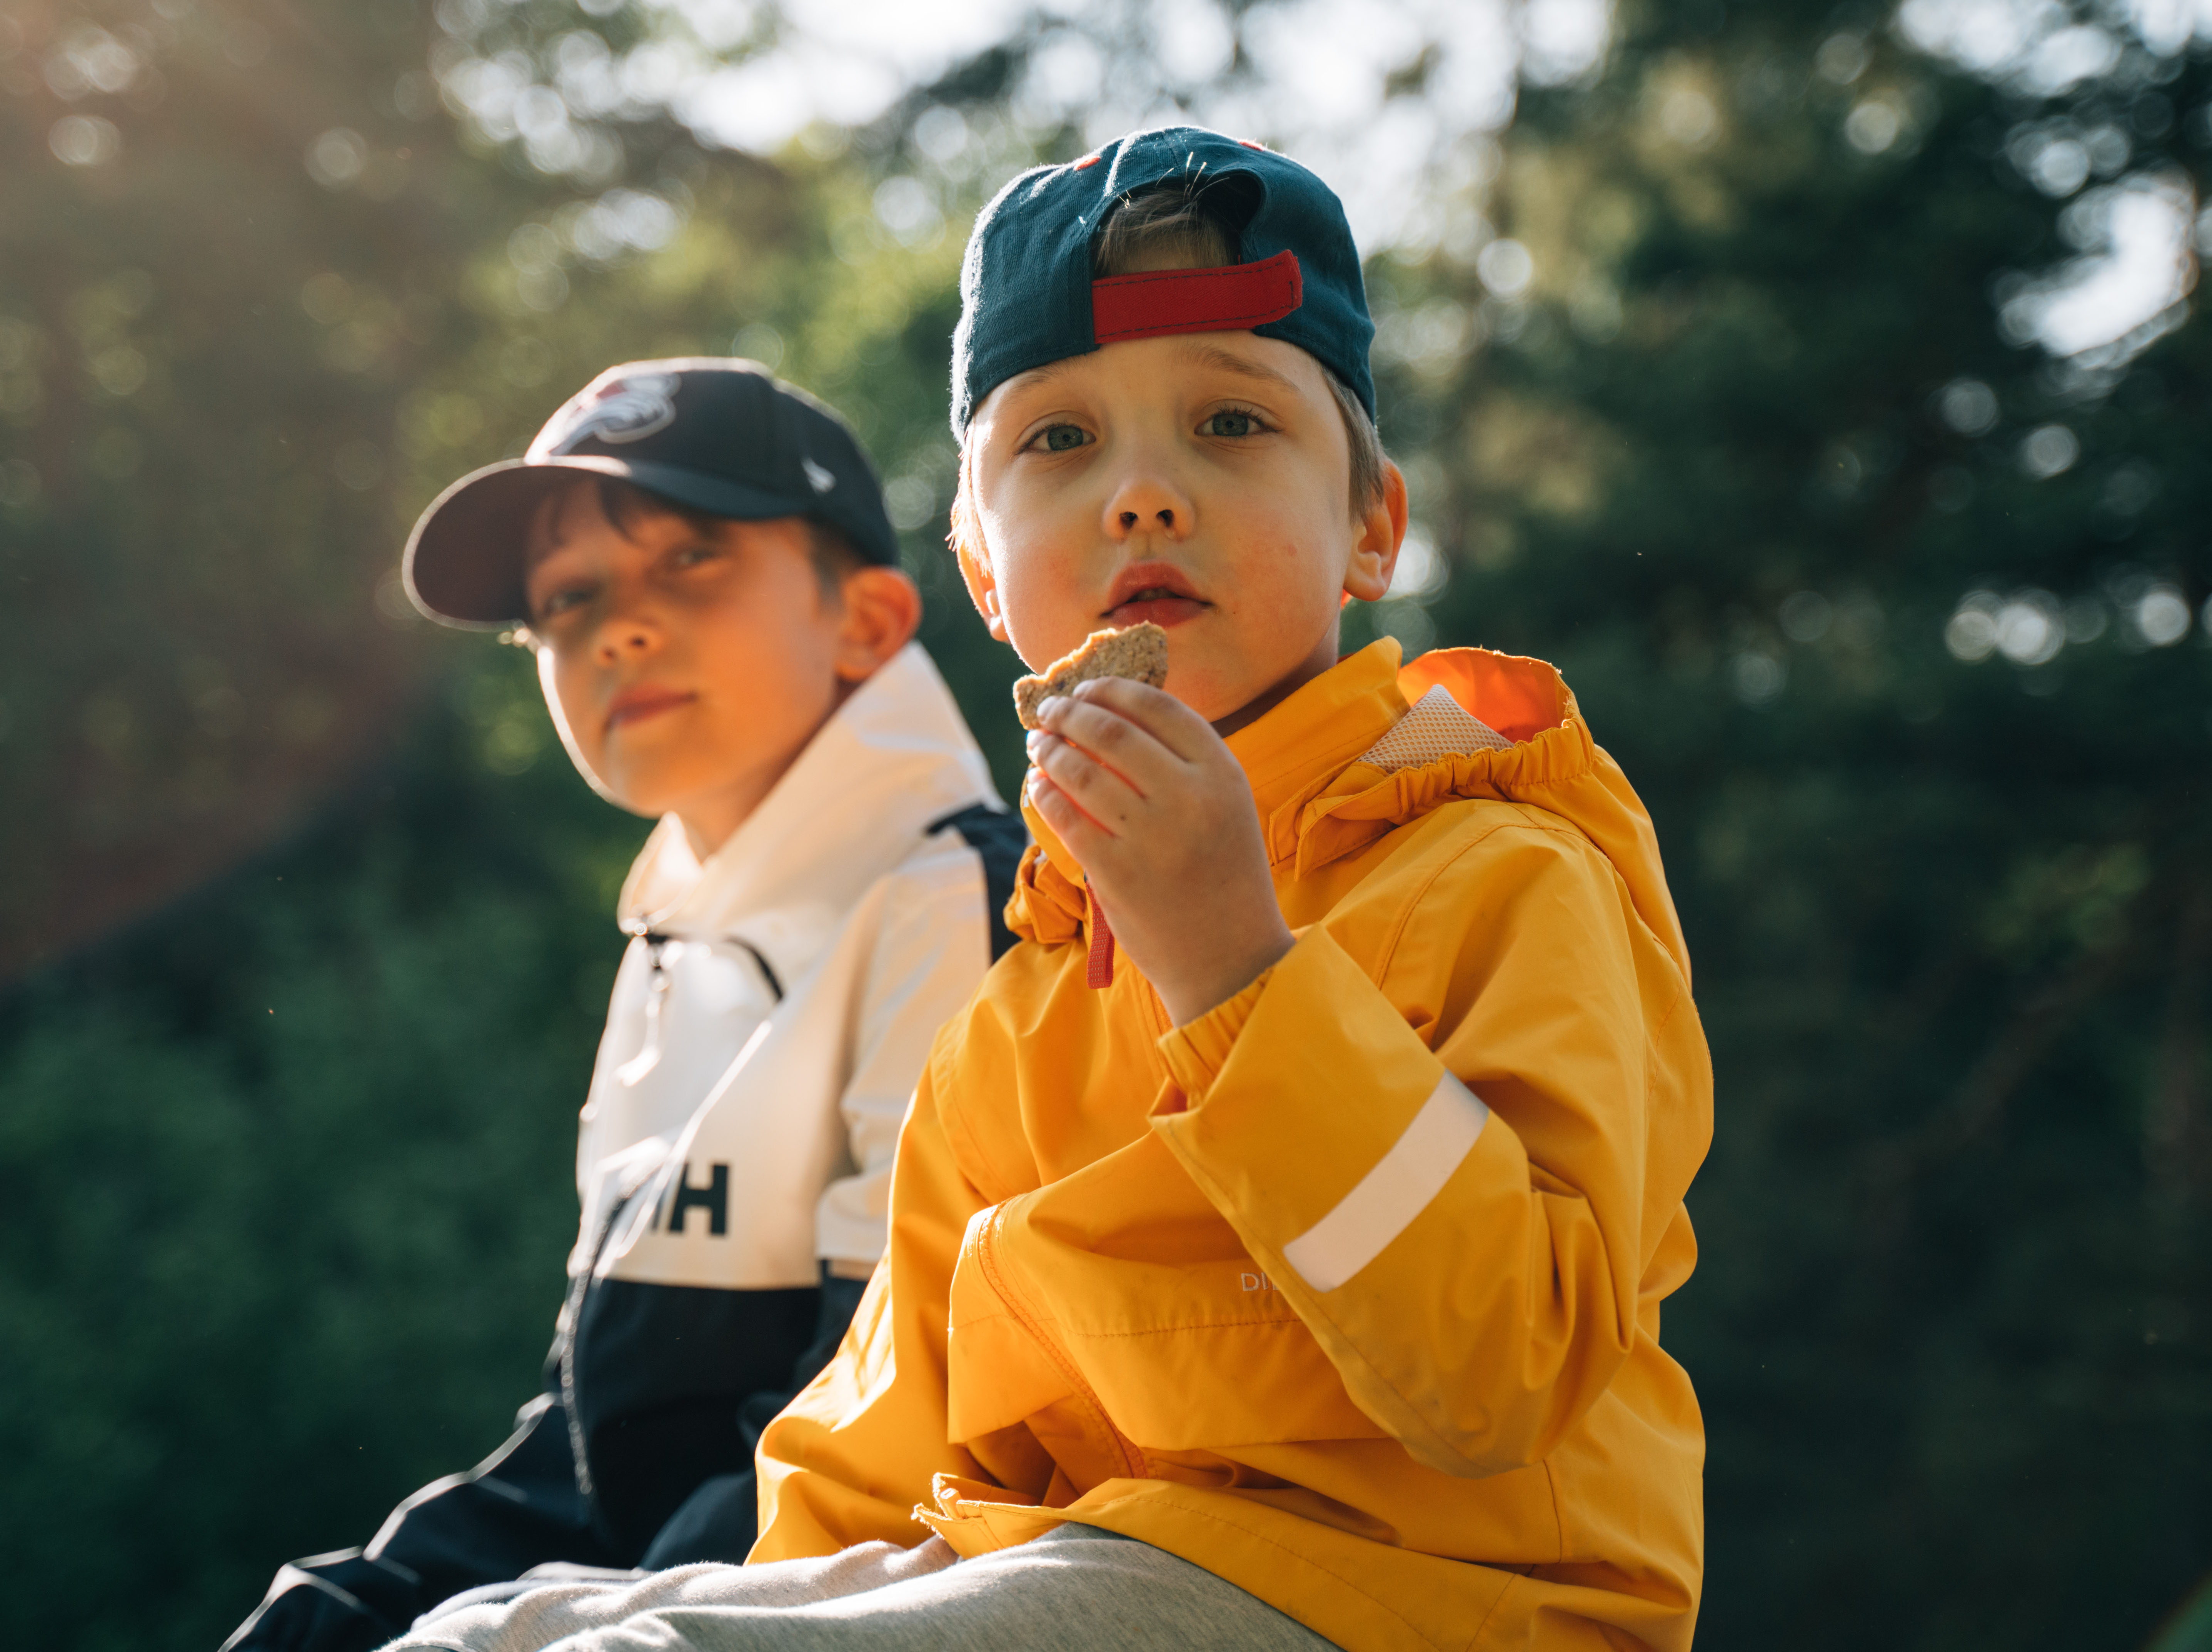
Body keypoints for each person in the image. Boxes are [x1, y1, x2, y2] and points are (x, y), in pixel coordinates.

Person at [384, 127, 1712, 1652]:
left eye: (1229, 421)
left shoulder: (1502, 865)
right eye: (1058, 443)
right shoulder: (1027, 986)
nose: (1142, 493)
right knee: (477, 1640)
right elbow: (879, 1439)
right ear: (979, 570)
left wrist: (1235, 968)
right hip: (1059, 1563)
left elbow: (1502, 1370)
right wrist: (747, 1593)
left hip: (1418, 1602)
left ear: (1371, 528)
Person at [224, 359, 1028, 1652]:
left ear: (871, 622)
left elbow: (887, 1431)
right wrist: (347, 1609)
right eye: (568, 600)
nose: (620, 629)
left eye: (692, 558)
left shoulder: (963, 903)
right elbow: (594, 1443)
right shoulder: (670, 942)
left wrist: (551, 1622)